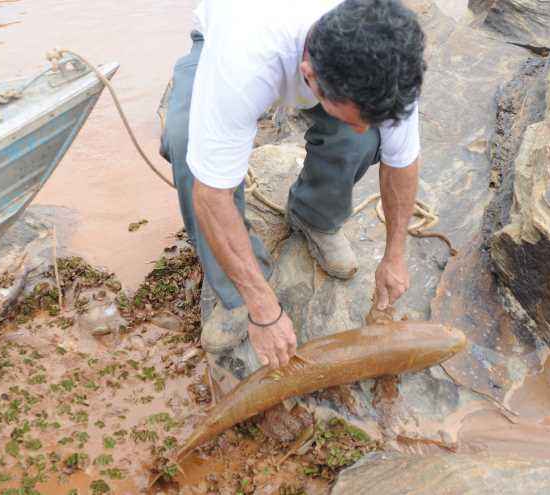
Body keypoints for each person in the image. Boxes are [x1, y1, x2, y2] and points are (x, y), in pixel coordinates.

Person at [159, 0, 426, 369]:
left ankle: (315, 215)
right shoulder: (242, 66)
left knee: (361, 139)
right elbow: (211, 195)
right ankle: (235, 293)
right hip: (231, 31)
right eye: (355, 114)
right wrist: (264, 310)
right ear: (309, 76)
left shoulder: (387, 52)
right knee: (187, 144)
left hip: (314, 56)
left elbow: (402, 160)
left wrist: (395, 255)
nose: (366, 125)